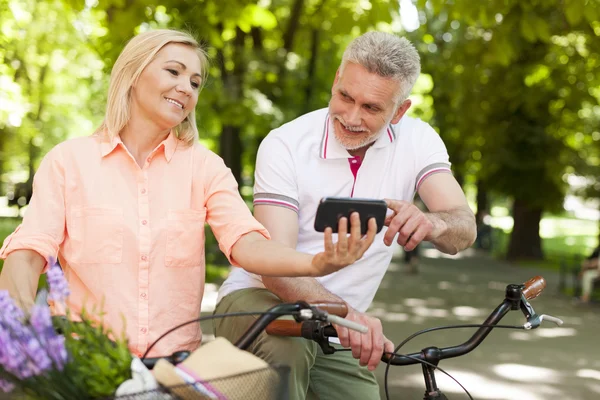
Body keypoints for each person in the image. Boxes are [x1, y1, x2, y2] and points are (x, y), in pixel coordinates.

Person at [0, 29, 377, 358]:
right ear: (132, 73)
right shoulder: (68, 161)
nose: (186, 87)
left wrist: (315, 265)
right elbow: (28, 253)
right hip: (87, 363)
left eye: (195, 82)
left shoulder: (205, 167)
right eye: (173, 71)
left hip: (175, 368)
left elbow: (246, 243)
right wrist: (15, 329)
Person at [214, 31, 477, 400]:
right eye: (345, 97)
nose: (351, 117)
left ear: (400, 111)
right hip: (258, 303)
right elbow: (273, 268)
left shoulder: (418, 140)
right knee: (289, 350)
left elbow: (463, 227)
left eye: (371, 108)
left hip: (338, 327)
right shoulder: (285, 144)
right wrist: (347, 314)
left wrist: (434, 223)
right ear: (336, 81)